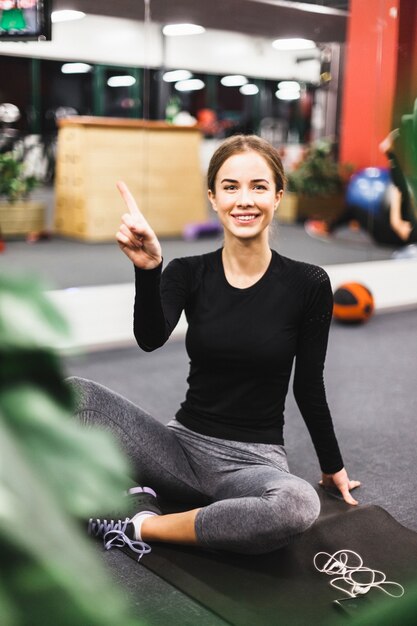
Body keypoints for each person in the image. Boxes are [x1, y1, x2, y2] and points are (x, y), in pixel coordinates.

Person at [70, 134, 360, 557]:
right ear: (213, 197)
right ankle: (144, 497)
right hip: (179, 448)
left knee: (297, 504)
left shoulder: (308, 283)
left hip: (252, 464)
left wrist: (332, 465)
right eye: (230, 186)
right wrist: (150, 270)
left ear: (278, 196)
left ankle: (141, 522)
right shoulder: (188, 273)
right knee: (77, 394)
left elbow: (308, 385)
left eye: (258, 186)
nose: (245, 200)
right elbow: (150, 339)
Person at [305, 129, 417, 246]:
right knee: (401, 190)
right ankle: (390, 153)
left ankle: (328, 227)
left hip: (391, 238)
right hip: (392, 225)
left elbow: (402, 231)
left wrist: (395, 206)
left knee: (355, 209)